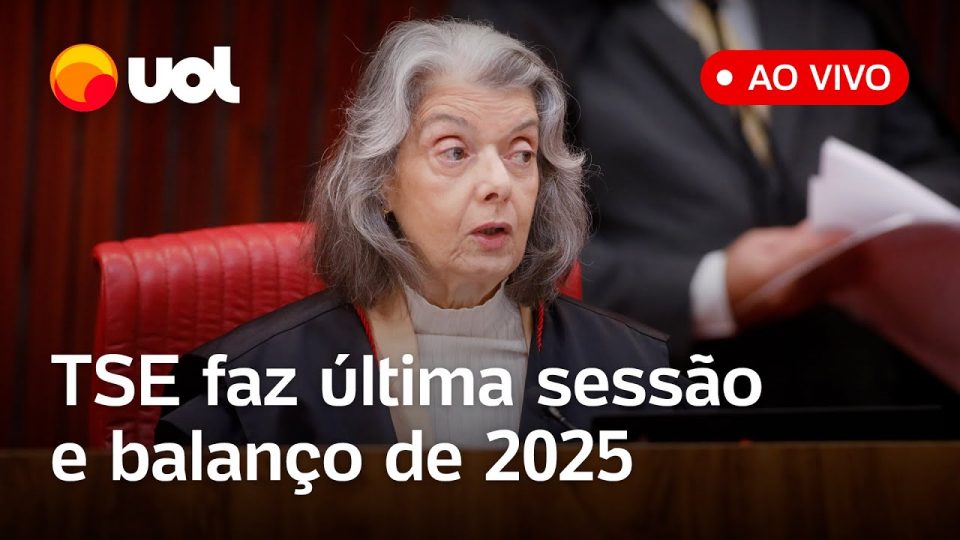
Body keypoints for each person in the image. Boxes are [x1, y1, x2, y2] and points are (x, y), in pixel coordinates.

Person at [156, 19, 672, 447]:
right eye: (455, 151)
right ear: (382, 180)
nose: (498, 184)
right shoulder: (243, 392)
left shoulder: (636, 373)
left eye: (521, 153)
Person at [453, 0, 960, 407]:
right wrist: (710, 288)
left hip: (867, 399)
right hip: (651, 413)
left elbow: (934, 169)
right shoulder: (524, 27)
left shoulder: (835, 15)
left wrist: (884, 227)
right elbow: (494, 248)